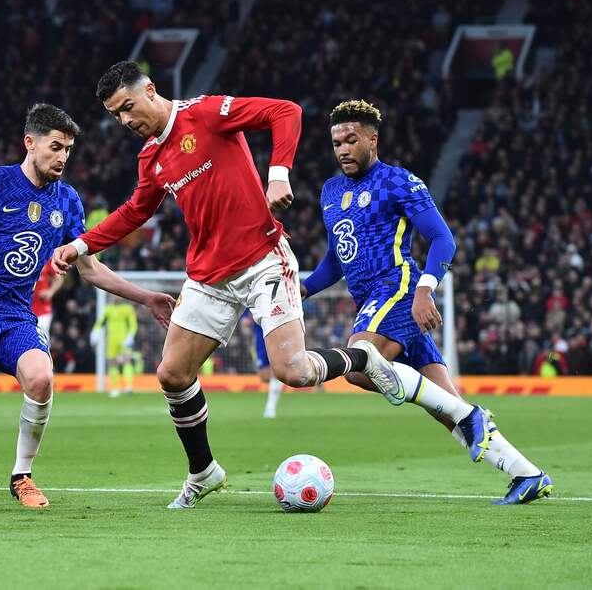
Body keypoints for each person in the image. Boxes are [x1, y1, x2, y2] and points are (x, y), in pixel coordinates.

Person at [52, 61, 406, 509]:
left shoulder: (206, 113)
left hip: (263, 261)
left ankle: (363, 357)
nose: (124, 121)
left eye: (127, 107)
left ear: (150, 91)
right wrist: (82, 245)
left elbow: (286, 111)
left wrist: (278, 172)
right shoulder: (151, 157)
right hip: (207, 276)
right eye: (115, 115)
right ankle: (203, 471)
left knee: (293, 372)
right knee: (172, 374)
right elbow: (137, 211)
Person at [0, 103, 174, 511]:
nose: (62, 157)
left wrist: (146, 297)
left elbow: (90, 269)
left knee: (41, 378)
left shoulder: (67, 200)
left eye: (68, 150)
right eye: (56, 147)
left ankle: (22, 476)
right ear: (30, 143)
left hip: (16, 314)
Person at [302, 99, 551, 505]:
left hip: (397, 286)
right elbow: (336, 257)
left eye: (351, 140)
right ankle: (527, 473)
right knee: (445, 405)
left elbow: (442, 238)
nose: (343, 149)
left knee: (359, 361)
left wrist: (425, 289)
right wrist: (307, 288)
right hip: (372, 297)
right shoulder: (331, 192)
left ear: (372, 139)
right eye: (336, 143)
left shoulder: (398, 181)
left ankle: (474, 419)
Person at [91, 299, 138, 397]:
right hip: (111, 340)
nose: (116, 297)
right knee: (112, 363)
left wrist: (130, 336)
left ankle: (129, 386)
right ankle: (115, 388)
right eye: (114, 295)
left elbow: (133, 325)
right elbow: (100, 322)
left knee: (127, 360)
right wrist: (95, 332)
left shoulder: (127, 309)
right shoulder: (108, 309)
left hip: (124, 339)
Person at [31, 260, 63, 341]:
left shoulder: (46, 256)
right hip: (24, 308)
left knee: (42, 339)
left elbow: (59, 278)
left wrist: (50, 292)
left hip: (42, 308)